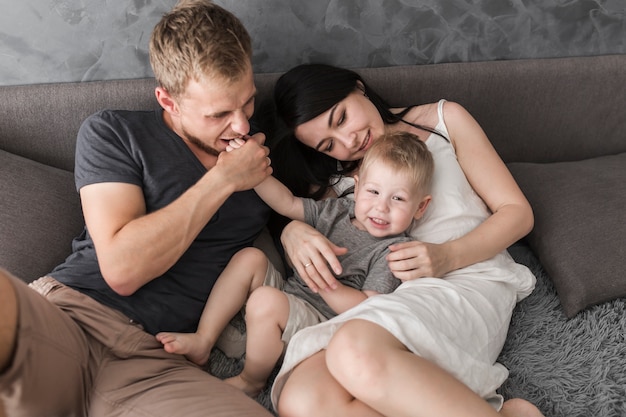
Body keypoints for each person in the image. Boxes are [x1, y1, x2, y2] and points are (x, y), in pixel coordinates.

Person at [0, 2, 277, 417]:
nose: (241, 126)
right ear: (168, 100)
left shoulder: (267, 159)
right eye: (219, 114)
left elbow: (359, 170)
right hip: (75, 317)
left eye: (248, 104)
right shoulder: (114, 133)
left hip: (157, 363)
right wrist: (224, 180)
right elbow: (122, 271)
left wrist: (295, 228)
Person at [267, 63, 546, 417]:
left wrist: (448, 255)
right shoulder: (332, 180)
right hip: (384, 300)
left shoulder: (444, 120)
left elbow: (517, 213)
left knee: (352, 349)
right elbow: (304, 218)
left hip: (465, 280)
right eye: (328, 144)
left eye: (340, 119)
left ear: (358, 88)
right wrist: (291, 231)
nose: (348, 141)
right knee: (303, 399)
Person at [157, 131, 434, 397]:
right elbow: (287, 203)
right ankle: (204, 339)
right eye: (373, 192)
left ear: (420, 207)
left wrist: (323, 281)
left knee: (266, 301)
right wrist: (252, 172)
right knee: (249, 258)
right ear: (357, 186)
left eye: (397, 199)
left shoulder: (392, 250)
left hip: (321, 323)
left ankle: (251, 380)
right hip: (291, 295)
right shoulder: (337, 210)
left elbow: (367, 307)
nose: (381, 207)